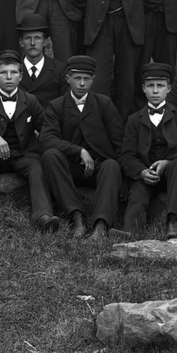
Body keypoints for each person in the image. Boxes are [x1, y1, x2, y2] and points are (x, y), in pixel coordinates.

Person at [0, 50, 59, 232]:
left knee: (37, 169)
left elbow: (46, 130)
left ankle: (43, 215)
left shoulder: (30, 101)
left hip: (23, 155)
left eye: (13, 72)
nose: (8, 77)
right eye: (3, 73)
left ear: (21, 76)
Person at [40, 55, 126, 240]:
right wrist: (78, 150)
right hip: (71, 167)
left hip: (99, 166)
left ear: (93, 80)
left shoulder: (104, 103)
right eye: (77, 78)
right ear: (67, 78)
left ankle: (101, 225)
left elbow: (119, 142)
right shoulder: (56, 106)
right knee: (50, 155)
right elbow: (46, 138)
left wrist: (124, 175)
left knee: (112, 165)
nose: (81, 83)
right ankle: (76, 217)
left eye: (86, 78)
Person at [119, 63, 177, 236]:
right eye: (150, 86)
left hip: (174, 173)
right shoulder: (134, 120)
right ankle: (130, 231)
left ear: (169, 88)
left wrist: (167, 161)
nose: (155, 91)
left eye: (160, 86)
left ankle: (174, 223)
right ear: (143, 88)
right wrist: (141, 172)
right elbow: (126, 156)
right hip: (146, 173)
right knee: (137, 192)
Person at [16, 14, 67, 109]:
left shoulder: (60, 70)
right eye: (28, 38)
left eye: (37, 38)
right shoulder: (12, 69)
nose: (32, 43)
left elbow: (65, 104)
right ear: (21, 42)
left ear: (45, 42)